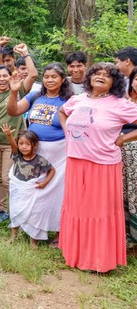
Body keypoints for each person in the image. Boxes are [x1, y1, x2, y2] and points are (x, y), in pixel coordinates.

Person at [58, 62, 137, 272]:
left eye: (106, 75)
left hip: (102, 165)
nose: (100, 76)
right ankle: (76, 255)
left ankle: (99, 259)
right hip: (76, 162)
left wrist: (123, 139)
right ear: (89, 77)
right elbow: (62, 112)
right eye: (96, 73)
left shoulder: (120, 103)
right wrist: (67, 131)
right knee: (77, 209)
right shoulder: (78, 99)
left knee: (98, 211)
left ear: (114, 82)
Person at [6, 63, 72, 243]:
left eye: (54, 77)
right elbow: (13, 111)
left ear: (63, 79)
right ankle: (29, 227)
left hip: (59, 155)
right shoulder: (35, 96)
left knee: (56, 192)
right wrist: (13, 92)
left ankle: (58, 232)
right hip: (34, 152)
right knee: (33, 190)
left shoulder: (70, 100)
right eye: (46, 77)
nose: (49, 80)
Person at [0, 43, 37, 224]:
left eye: (4, 76)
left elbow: (33, 75)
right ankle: (2, 210)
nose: (1, 79)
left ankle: (17, 210)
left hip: (11, 142)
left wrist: (25, 54)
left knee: (8, 178)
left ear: (10, 77)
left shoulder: (18, 91)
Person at [0, 126, 55, 248]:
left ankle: (34, 241)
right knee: (15, 211)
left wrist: (44, 183)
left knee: (34, 214)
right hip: (18, 191)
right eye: (21, 143)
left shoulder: (40, 160)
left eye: (27, 144)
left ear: (34, 145)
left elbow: (52, 170)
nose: (23, 146)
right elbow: (13, 147)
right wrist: (9, 135)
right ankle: (13, 236)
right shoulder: (17, 157)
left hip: (32, 192)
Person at [123, 69, 137, 244]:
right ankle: (126, 237)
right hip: (122, 155)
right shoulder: (124, 102)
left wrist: (123, 138)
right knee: (124, 194)